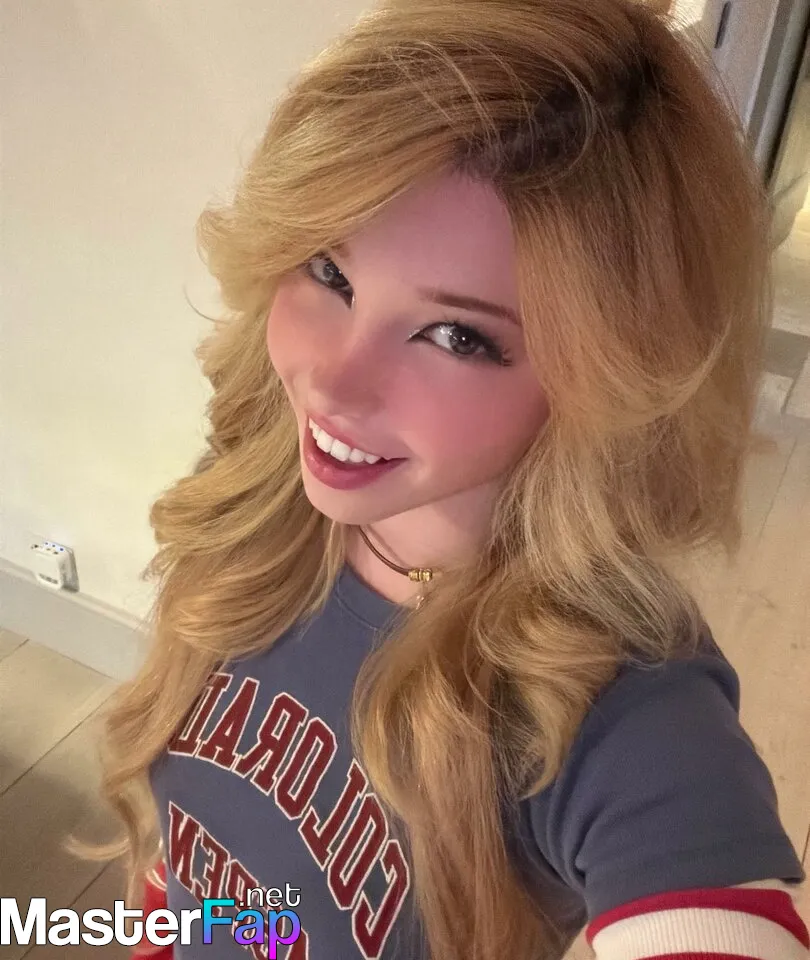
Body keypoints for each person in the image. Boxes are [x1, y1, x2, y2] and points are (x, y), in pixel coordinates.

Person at [96, 0, 809, 957]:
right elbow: (202, 857)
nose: (333, 383)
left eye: (456, 336)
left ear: (606, 383)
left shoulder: (614, 705)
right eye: (330, 273)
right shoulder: (259, 499)